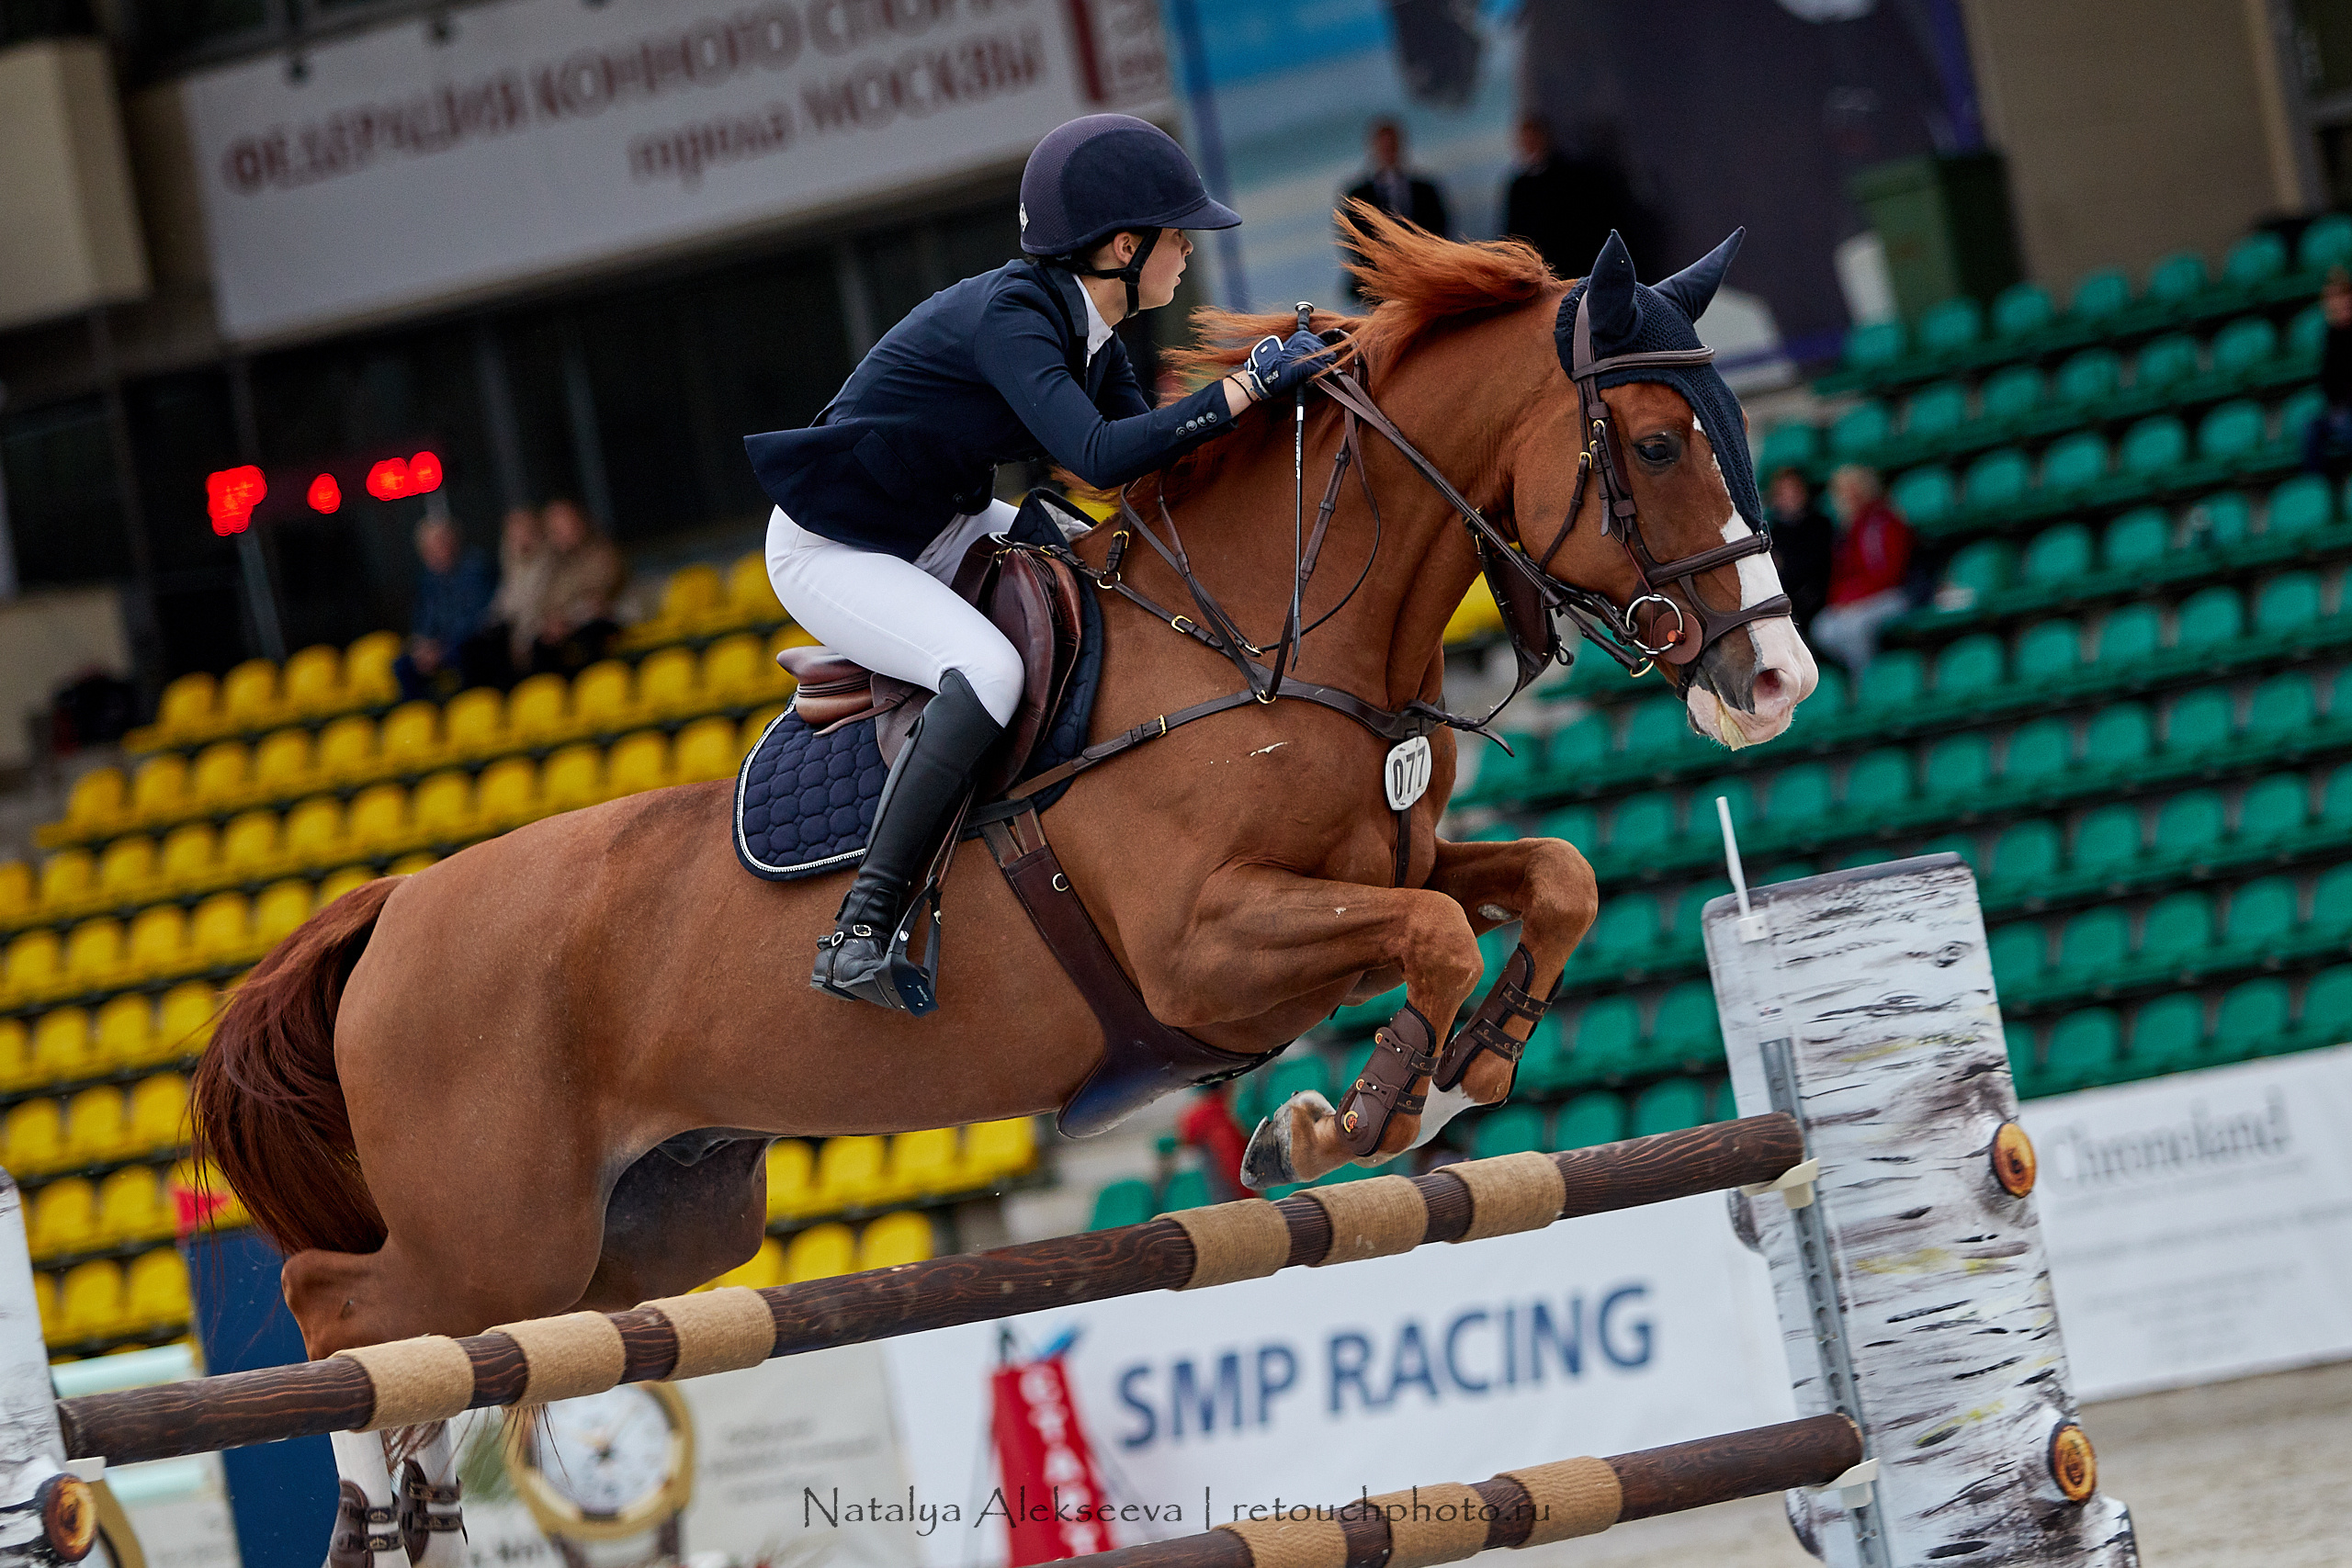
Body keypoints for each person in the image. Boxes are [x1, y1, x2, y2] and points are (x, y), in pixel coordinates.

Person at [743, 113, 1329, 1014]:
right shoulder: (1015, 316)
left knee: (1102, 574)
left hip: (939, 512)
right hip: (836, 542)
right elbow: (1097, 456)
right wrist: (1243, 387)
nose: (1186, 254)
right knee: (987, 669)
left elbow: (1149, 477)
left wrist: (1271, 413)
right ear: (1124, 247)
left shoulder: (1094, 333)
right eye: (1178, 239)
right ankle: (862, 928)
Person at [1500, 114, 1656, 281]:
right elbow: (1514, 235)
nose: (1529, 143)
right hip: (1538, 273)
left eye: (1533, 136)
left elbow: (1587, 224)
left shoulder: (1574, 177)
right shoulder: (1519, 186)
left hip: (1571, 270)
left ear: (1545, 136)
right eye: (1525, 138)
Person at [1808, 466, 1917, 678]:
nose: (1849, 496)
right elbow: (1840, 577)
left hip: (1894, 596)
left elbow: (1891, 575)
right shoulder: (1846, 530)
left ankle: (1868, 681)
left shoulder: (1885, 522)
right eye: (1843, 491)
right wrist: (1842, 601)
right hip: (1859, 601)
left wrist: (1856, 599)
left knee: (1855, 628)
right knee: (1823, 628)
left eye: (1853, 489)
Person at [393, 513, 495, 702]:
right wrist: (423, 645)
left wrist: (440, 648)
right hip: (440, 646)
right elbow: (423, 620)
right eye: (428, 548)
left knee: (463, 651)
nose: (435, 552)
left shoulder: (475, 569)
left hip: (471, 643)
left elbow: (477, 618)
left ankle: (470, 708)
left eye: (440, 543)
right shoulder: (428, 580)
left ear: (454, 541)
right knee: (404, 664)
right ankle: (423, 717)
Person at [1341, 119, 1449, 297]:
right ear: (1373, 149)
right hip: (1376, 282)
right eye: (1383, 147)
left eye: (1392, 146)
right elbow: (1353, 240)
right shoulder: (1357, 195)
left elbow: (1439, 231)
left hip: (1424, 275)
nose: (1388, 152)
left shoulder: (1425, 189)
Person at [527, 497, 628, 676]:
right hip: (565, 630)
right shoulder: (554, 567)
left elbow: (599, 597)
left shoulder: (602, 553)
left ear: (580, 522)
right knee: (539, 646)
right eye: (553, 529)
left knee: (590, 635)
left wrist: (568, 619)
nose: (559, 533)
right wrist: (552, 621)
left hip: (605, 624)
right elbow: (544, 603)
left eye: (563, 525)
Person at [1764, 467, 1834, 640]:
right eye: (1784, 492)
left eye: (1795, 490)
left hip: (1819, 603)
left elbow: (1816, 567)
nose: (1791, 497)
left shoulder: (1821, 525)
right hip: (1784, 604)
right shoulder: (1771, 534)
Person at [2302, 267, 2352, 472]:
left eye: (2341, 298)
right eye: (2331, 300)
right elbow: (2329, 379)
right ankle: (2317, 492)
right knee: (2310, 429)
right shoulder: (2330, 336)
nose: (2337, 305)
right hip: (2339, 409)